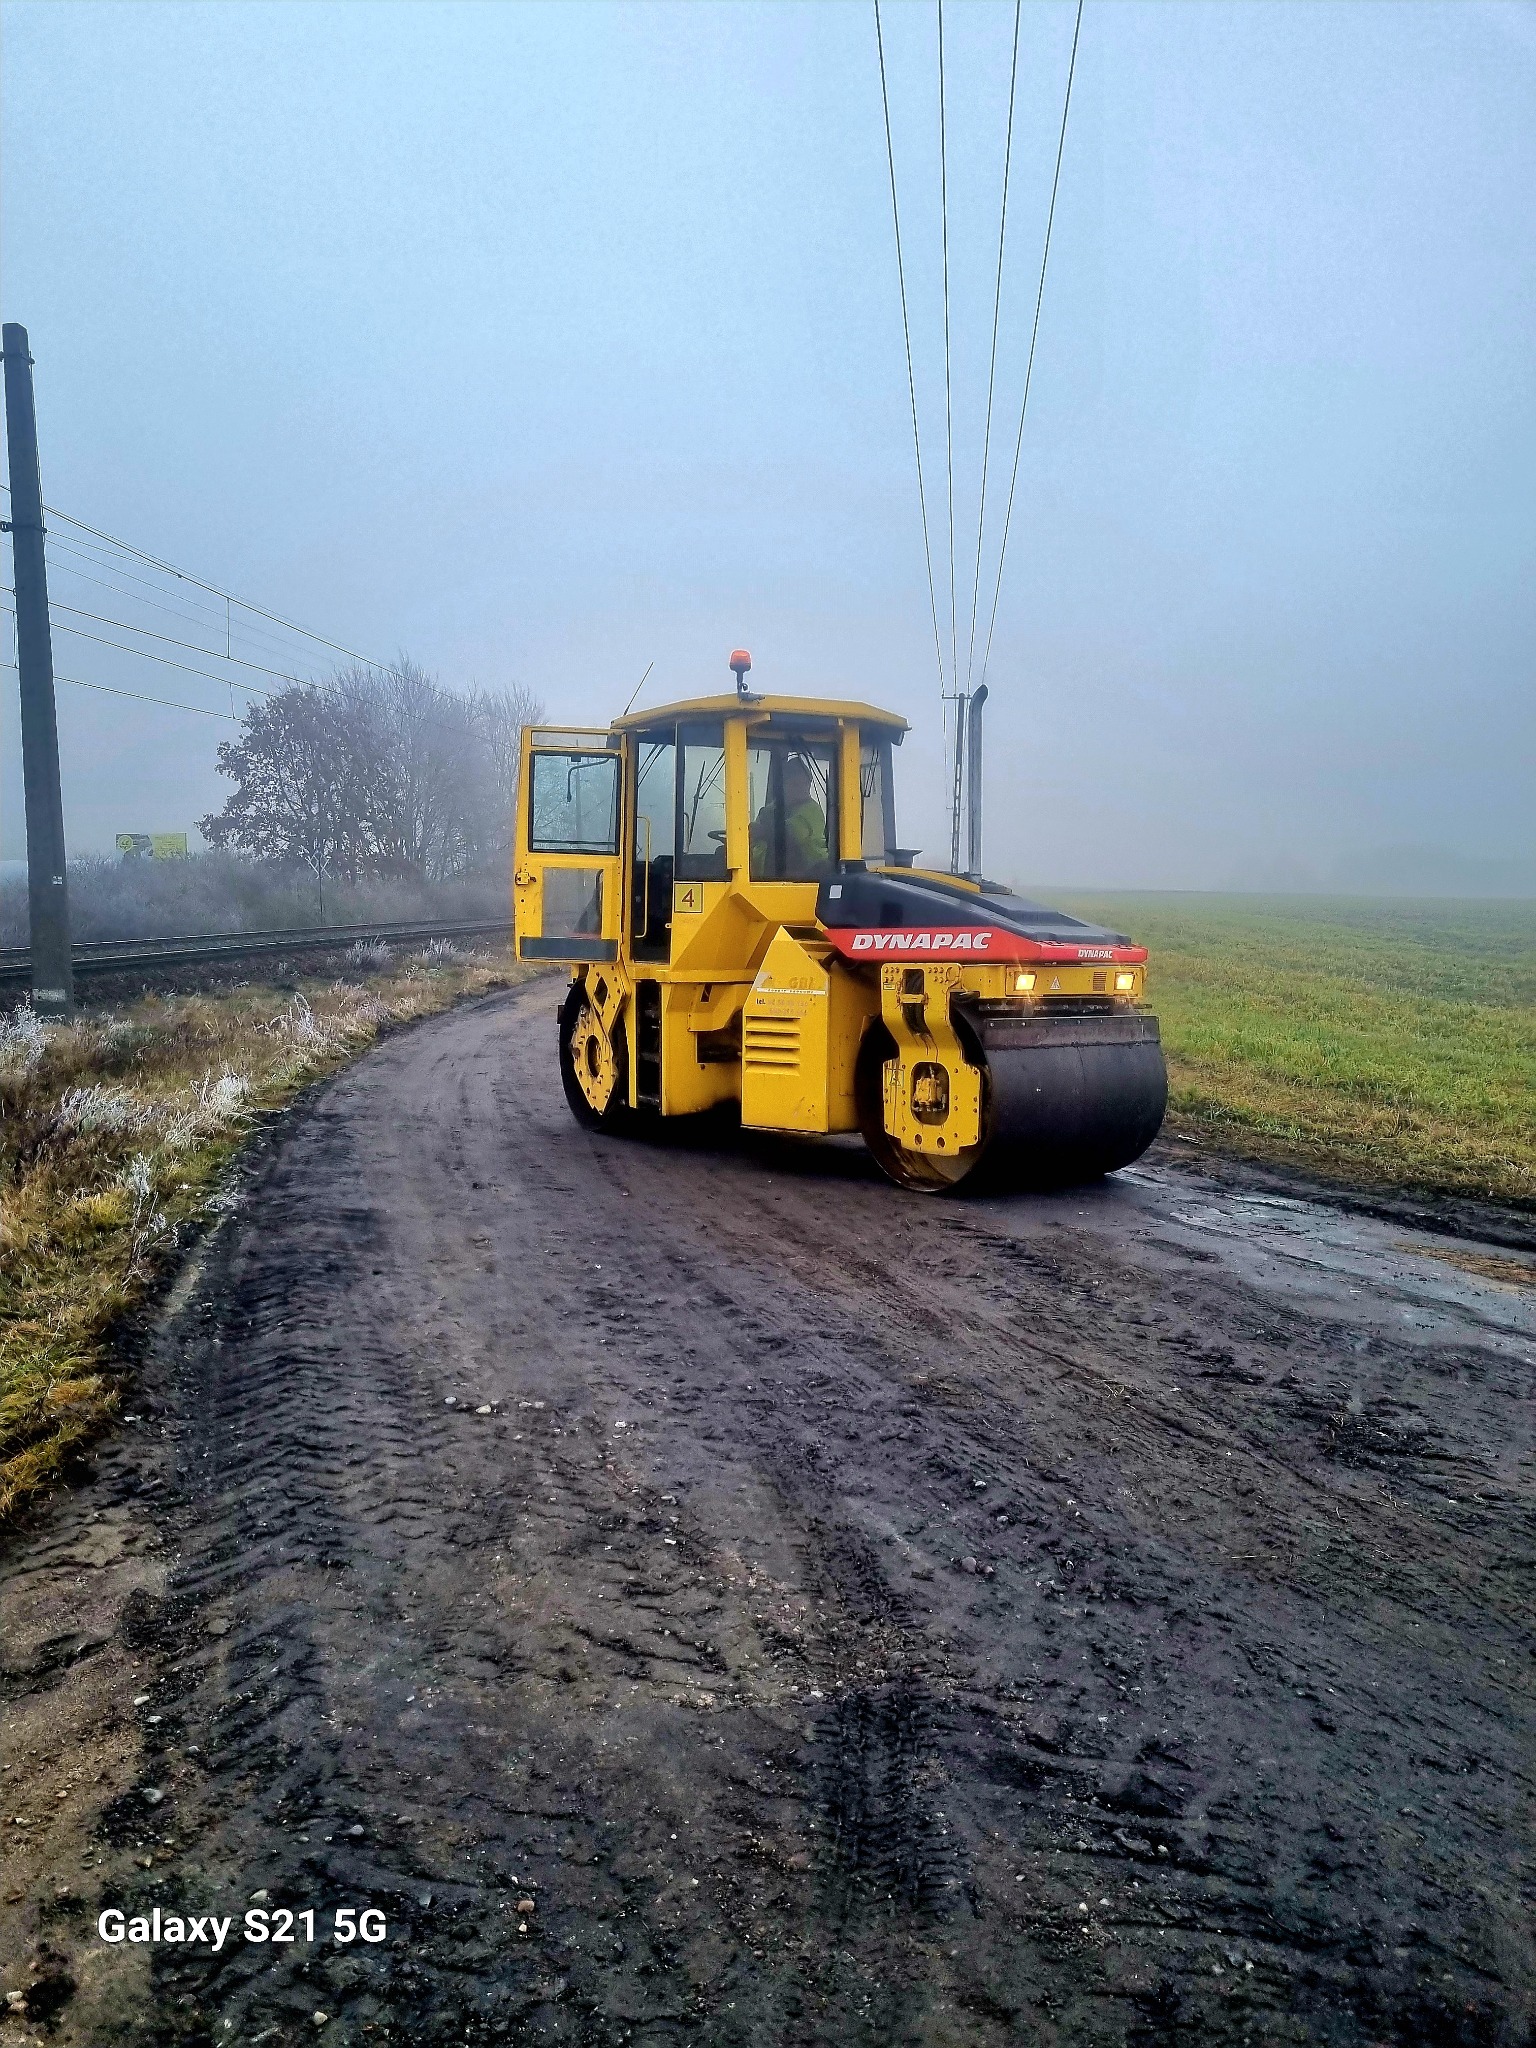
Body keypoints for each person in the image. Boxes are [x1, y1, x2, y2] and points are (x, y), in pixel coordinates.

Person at [752, 756, 829, 878]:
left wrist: (761, 831)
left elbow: (789, 835)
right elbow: (755, 837)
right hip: (764, 876)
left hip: (809, 873)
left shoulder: (811, 809)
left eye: (806, 784)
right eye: (796, 784)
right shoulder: (769, 810)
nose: (803, 789)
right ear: (782, 785)